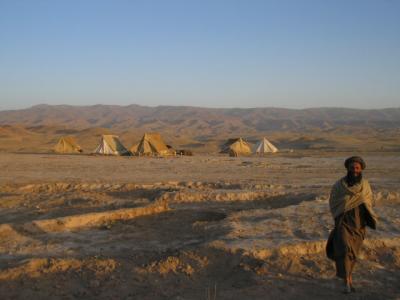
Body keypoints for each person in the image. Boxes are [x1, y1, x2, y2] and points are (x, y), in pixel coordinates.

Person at [326, 156, 378, 293]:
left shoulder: (365, 185)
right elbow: (333, 201)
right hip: (343, 221)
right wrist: (339, 213)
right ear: (347, 168)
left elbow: (368, 200)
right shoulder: (339, 185)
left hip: (359, 222)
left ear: (361, 169)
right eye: (352, 167)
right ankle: (346, 282)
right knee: (344, 248)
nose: (354, 170)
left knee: (353, 252)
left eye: (357, 168)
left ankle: (349, 278)